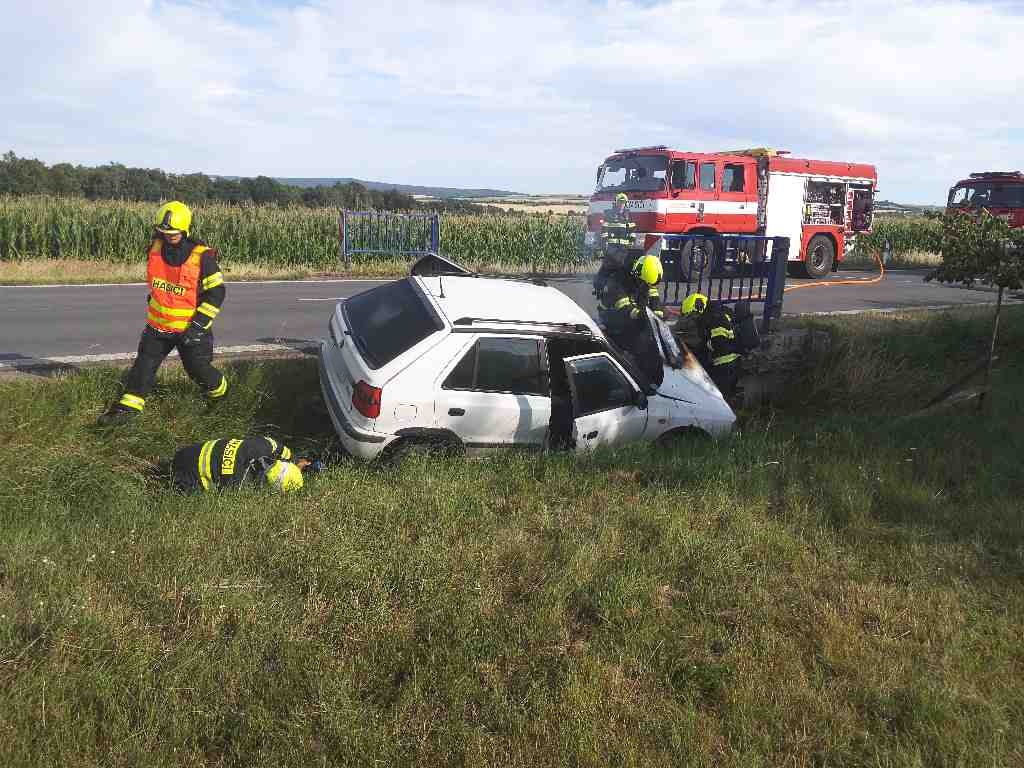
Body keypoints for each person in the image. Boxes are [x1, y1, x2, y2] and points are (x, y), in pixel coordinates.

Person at [98, 201, 228, 425]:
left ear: (185, 230)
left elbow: (216, 293)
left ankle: (220, 397)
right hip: (157, 327)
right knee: (144, 366)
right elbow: (161, 283)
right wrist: (157, 297)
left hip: (190, 330)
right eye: (164, 232)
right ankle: (126, 411)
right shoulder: (155, 249)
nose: (168, 236)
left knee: (198, 371)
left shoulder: (202, 257)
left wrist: (198, 326)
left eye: (173, 233)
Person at [594, 253, 665, 385]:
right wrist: (641, 315)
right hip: (613, 322)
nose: (648, 287)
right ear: (638, 277)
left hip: (632, 320)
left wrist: (659, 316)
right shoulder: (618, 281)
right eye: (645, 284)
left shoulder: (645, 278)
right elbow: (626, 311)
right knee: (634, 350)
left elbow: (654, 298)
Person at [171, 435, 314, 492]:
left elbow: (280, 449)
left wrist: (295, 461)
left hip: (187, 452)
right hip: (184, 479)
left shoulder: (265, 446)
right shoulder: (240, 488)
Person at [678, 292, 741, 397]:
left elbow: (719, 343)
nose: (694, 318)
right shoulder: (712, 314)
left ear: (699, 308)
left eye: (693, 315)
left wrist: (704, 345)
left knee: (718, 399)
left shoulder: (716, 318)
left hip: (726, 366)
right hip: (726, 364)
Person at [598, 192, 635, 266]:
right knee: (610, 267)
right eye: (619, 202)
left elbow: (632, 231)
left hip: (623, 249)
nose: (621, 204)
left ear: (626, 204)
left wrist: (631, 244)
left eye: (623, 202)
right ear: (616, 203)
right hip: (612, 247)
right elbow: (604, 230)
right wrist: (604, 245)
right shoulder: (609, 214)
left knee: (621, 268)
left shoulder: (628, 216)